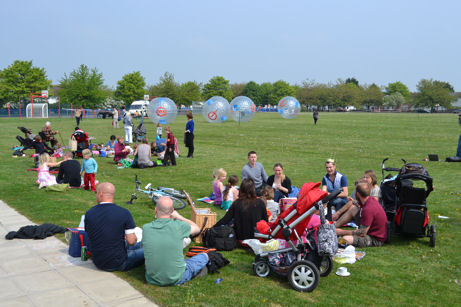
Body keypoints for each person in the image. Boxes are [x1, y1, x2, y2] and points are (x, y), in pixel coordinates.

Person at [142, 196, 208, 286]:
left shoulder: (146, 228)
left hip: (151, 278)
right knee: (204, 256)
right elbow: (197, 228)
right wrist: (179, 217)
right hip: (175, 278)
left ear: (155, 210)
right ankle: (195, 272)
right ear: (172, 210)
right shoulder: (179, 226)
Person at [85, 182, 144, 271]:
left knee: (137, 245)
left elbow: (90, 234)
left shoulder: (89, 213)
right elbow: (131, 241)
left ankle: (143, 245)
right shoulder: (124, 213)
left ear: (100, 194)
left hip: (98, 259)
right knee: (150, 250)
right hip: (118, 262)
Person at [335, 181, 388, 247]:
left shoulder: (368, 209)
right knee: (353, 208)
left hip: (375, 239)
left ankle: (336, 236)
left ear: (357, 194)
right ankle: (334, 227)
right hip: (370, 230)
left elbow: (362, 233)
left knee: (345, 239)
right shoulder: (369, 199)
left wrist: (341, 232)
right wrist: (338, 213)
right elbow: (354, 203)